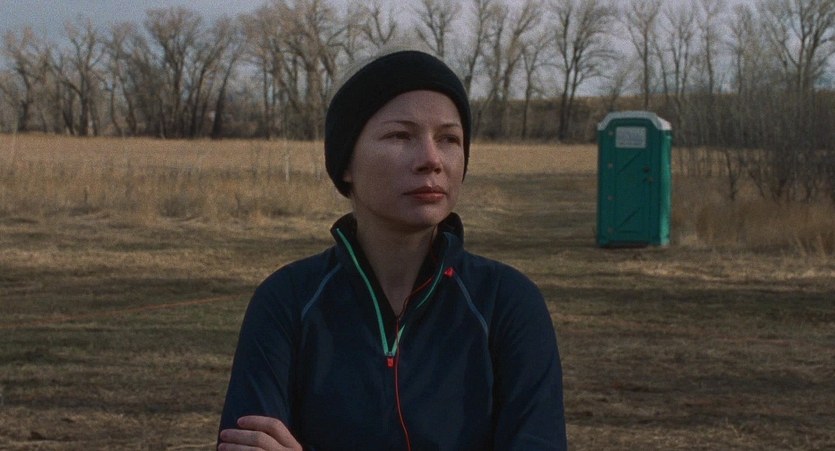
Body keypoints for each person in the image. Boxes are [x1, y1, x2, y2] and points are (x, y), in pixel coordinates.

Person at [217, 46, 567, 451]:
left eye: (449, 138)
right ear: (346, 162)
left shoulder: (506, 303)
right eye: (401, 135)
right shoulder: (287, 302)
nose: (431, 160)